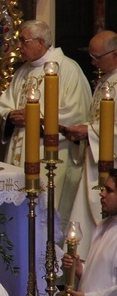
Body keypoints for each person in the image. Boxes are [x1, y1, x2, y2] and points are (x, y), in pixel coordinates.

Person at [0, 20, 91, 224]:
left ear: (40, 42)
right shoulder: (22, 71)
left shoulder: (68, 69)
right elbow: (4, 105)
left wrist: (37, 121)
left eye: (23, 41)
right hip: (19, 154)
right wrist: (11, 116)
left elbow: (77, 115)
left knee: (46, 216)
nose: (18, 46)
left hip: (51, 155)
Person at [62, 30, 117, 259]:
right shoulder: (106, 81)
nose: (93, 63)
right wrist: (85, 130)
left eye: (98, 58)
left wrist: (90, 131)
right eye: (92, 58)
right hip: (94, 163)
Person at [62, 168, 117, 296]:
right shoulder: (103, 226)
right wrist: (79, 269)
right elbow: (102, 273)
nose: (101, 194)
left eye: (109, 191)